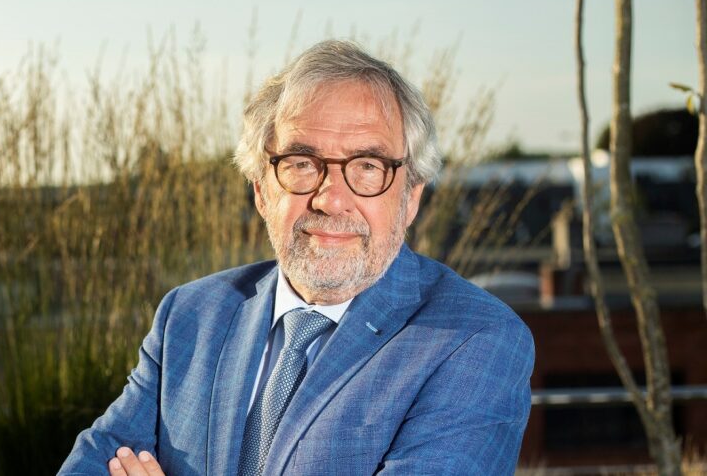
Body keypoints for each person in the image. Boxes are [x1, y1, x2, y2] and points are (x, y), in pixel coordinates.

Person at [59, 39, 534, 475]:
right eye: (302, 164)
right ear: (261, 189)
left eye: (367, 167)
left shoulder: (476, 341)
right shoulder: (189, 316)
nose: (331, 199)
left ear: (411, 196)